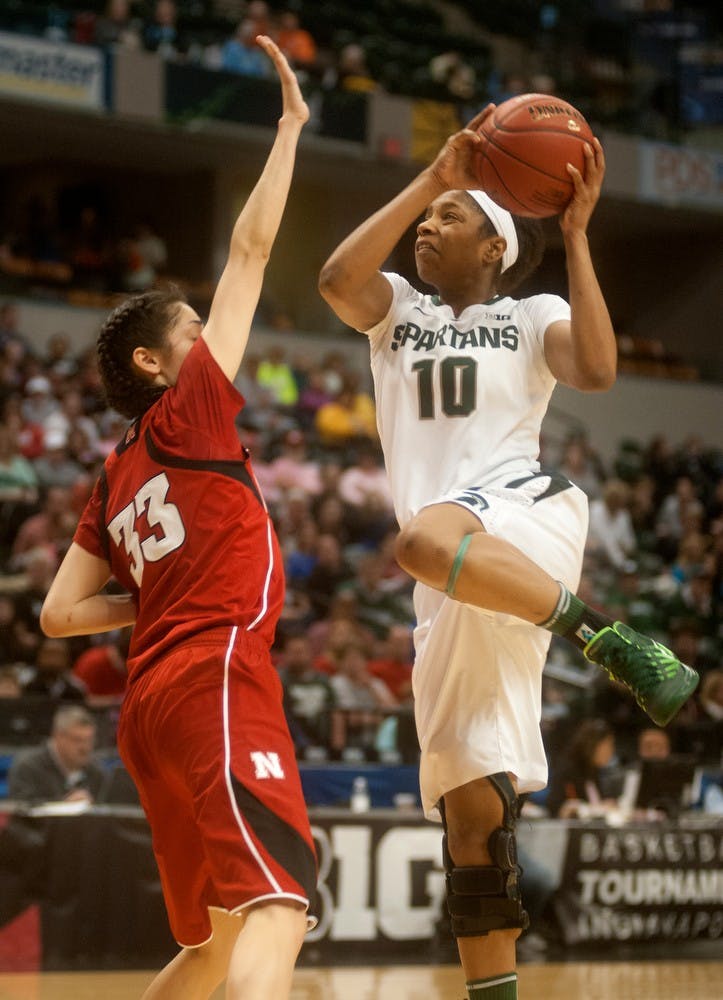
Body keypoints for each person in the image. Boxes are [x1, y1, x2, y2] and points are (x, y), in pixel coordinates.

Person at [318, 105, 699, 999]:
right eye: (428, 216)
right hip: (461, 577)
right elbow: (337, 277)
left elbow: (598, 371)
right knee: (471, 816)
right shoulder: (396, 313)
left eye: (449, 217)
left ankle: (610, 637)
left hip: (523, 516)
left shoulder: (532, 314)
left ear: (493, 245)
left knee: (418, 535)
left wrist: (576, 235)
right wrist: (432, 175)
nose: (428, 224)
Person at [39, 38, 314, 1000]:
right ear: (157, 367)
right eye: (193, 331)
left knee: (213, 941)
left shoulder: (113, 476)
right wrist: (287, 129)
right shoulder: (189, 409)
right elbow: (250, 249)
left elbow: (57, 617)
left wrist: (150, 601)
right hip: (214, 674)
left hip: (149, 708)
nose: (212, 338)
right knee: (282, 903)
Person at [7, 704, 105, 804]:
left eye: (89, 740)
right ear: (58, 736)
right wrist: (63, 805)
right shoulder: (29, 767)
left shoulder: (96, 770)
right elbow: (20, 809)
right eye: (77, 740)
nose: (85, 748)